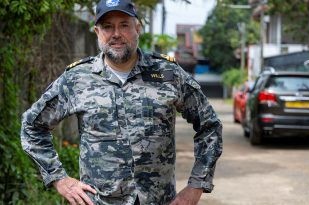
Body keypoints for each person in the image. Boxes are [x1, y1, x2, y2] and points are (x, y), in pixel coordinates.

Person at [20, 0, 223, 204]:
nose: (116, 33)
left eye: (124, 25)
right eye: (108, 26)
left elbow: (210, 126)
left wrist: (196, 186)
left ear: (137, 28)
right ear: (97, 31)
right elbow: (32, 126)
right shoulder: (76, 79)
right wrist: (59, 179)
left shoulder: (168, 74)